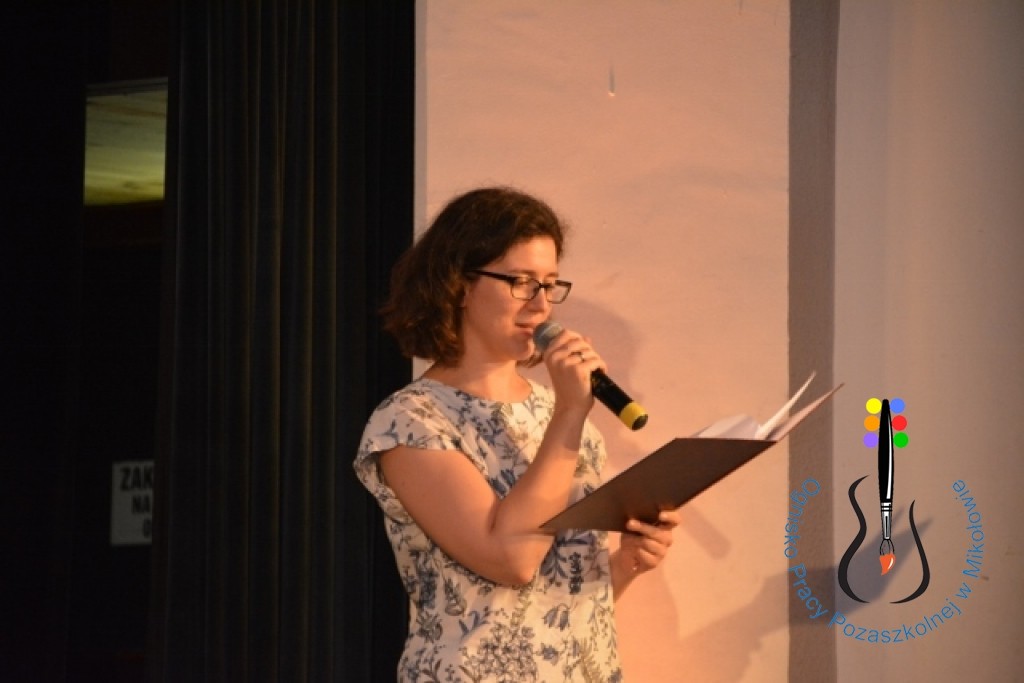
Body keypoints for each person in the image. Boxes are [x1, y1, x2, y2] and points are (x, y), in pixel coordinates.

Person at [354, 186, 680, 682]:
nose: (541, 305)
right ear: (460, 285)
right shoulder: (412, 421)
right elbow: (512, 560)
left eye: (550, 285)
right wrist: (571, 412)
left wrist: (625, 565)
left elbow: (548, 610)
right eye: (522, 283)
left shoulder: (556, 411)